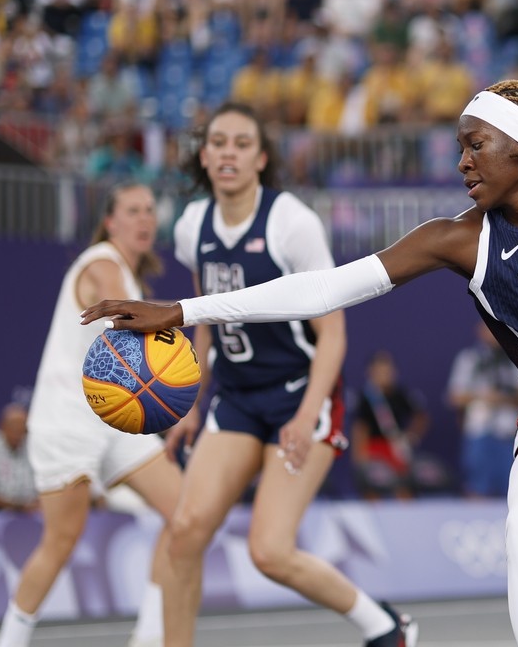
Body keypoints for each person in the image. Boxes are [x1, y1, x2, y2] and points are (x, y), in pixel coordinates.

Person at [82, 80, 518, 647]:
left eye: (474, 145)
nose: (461, 162)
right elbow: (326, 287)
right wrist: (186, 310)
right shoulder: (458, 240)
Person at [161, 102, 414, 647]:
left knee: (269, 551)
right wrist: (191, 401)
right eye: (219, 142)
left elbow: (334, 335)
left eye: (242, 143)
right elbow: (205, 319)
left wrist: (303, 419)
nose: (228, 152)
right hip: (234, 395)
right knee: (183, 534)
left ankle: (386, 627)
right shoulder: (190, 227)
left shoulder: (291, 223)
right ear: (204, 157)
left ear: (260, 158)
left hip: (300, 392)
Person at [0, 184, 182, 647]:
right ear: (110, 221)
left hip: (117, 418)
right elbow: (119, 303)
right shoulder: (102, 262)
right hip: (66, 422)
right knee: (62, 540)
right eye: (132, 210)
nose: (144, 219)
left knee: (187, 514)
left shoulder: (132, 276)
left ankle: (150, 637)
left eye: (149, 211)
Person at [447, 321, 518, 497]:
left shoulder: (516, 356)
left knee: (512, 486)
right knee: (476, 485)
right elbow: (455, 396)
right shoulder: (469, 358)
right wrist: (484, 396)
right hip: (478, 430)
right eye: (487, 329)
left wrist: (502, 398)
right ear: (480, 331)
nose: (492, 334)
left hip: (508, 431)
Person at [352, 351, 444, 499]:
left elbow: (421, 416)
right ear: (371, 372)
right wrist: (359, 457)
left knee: (403, 486)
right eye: (380, 370)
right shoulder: (365, 397)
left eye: (387, 369)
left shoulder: (402, 394)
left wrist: (411, 436)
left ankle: (405, 518)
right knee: (372, 486)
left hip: (396, 448)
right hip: (374, 448)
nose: (384, 374)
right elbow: (360, 429)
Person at [0, 402, 36, 511]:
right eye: (13, 426)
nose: (17, 432)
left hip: (32, 513)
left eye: (21, 428)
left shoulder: (33, 446)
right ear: (2, 426)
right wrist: (17, 506)